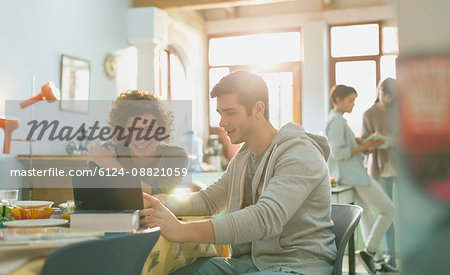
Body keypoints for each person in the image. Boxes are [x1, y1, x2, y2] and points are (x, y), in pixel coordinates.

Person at [140, 70, 337, 274]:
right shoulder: (244, 157)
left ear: (258, 109)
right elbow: (208, 201)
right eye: (220, 113)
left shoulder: (299, 153)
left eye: (230, 113)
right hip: (250, 264)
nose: (222, 122)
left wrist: (181, 230)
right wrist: (158, 202)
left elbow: (265, 218)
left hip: (297, 266)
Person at [325, 84, 398, 274]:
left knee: (366, 218)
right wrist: (366, 147)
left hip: (352, 175)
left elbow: (343, 147)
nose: (353, 104)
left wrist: (359, 142)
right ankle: (370, 251)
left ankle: (379, 261)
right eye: (350, 101)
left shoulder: (340, 120)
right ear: (338, 100)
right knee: (389, 209)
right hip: (353, 176)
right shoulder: (336, 121)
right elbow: (339, 153)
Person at [88, 89, 188, 194]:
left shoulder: (176, 157)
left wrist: (114, 167)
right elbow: (91, 195)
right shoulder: (109, 150)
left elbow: (159, 198)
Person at [361, 78, 398, 268]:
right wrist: (375, 140)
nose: (386, 98)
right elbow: (364, 146)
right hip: (380, 168)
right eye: (384, 94)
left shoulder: (397, 112)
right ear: (379, 90)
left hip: (399, 166)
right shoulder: (369, 113)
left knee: (404, 212)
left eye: (390, 96)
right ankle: (388, 255)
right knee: (387, 211)